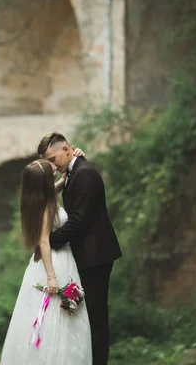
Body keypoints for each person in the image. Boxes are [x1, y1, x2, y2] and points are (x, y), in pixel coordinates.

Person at [37, 132, 122, 365]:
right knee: (87, 317)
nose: (52, 165)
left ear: (67, 149)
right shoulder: (74, 172)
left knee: (96, 318)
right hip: (86, 254)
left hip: (95, 256)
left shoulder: (85, 174)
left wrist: (48, 241)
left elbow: (80, 221)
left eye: (53, 159)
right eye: (48, 162)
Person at [0, 150, 91, 364]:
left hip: (44, 262)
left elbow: (53, 191)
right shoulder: (46, 207)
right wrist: (51, 277)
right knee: (56, 317)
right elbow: (43, 240)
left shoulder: (36, 200)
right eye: (50, 169)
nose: (54, 166)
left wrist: (64, 178)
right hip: (55, 262)